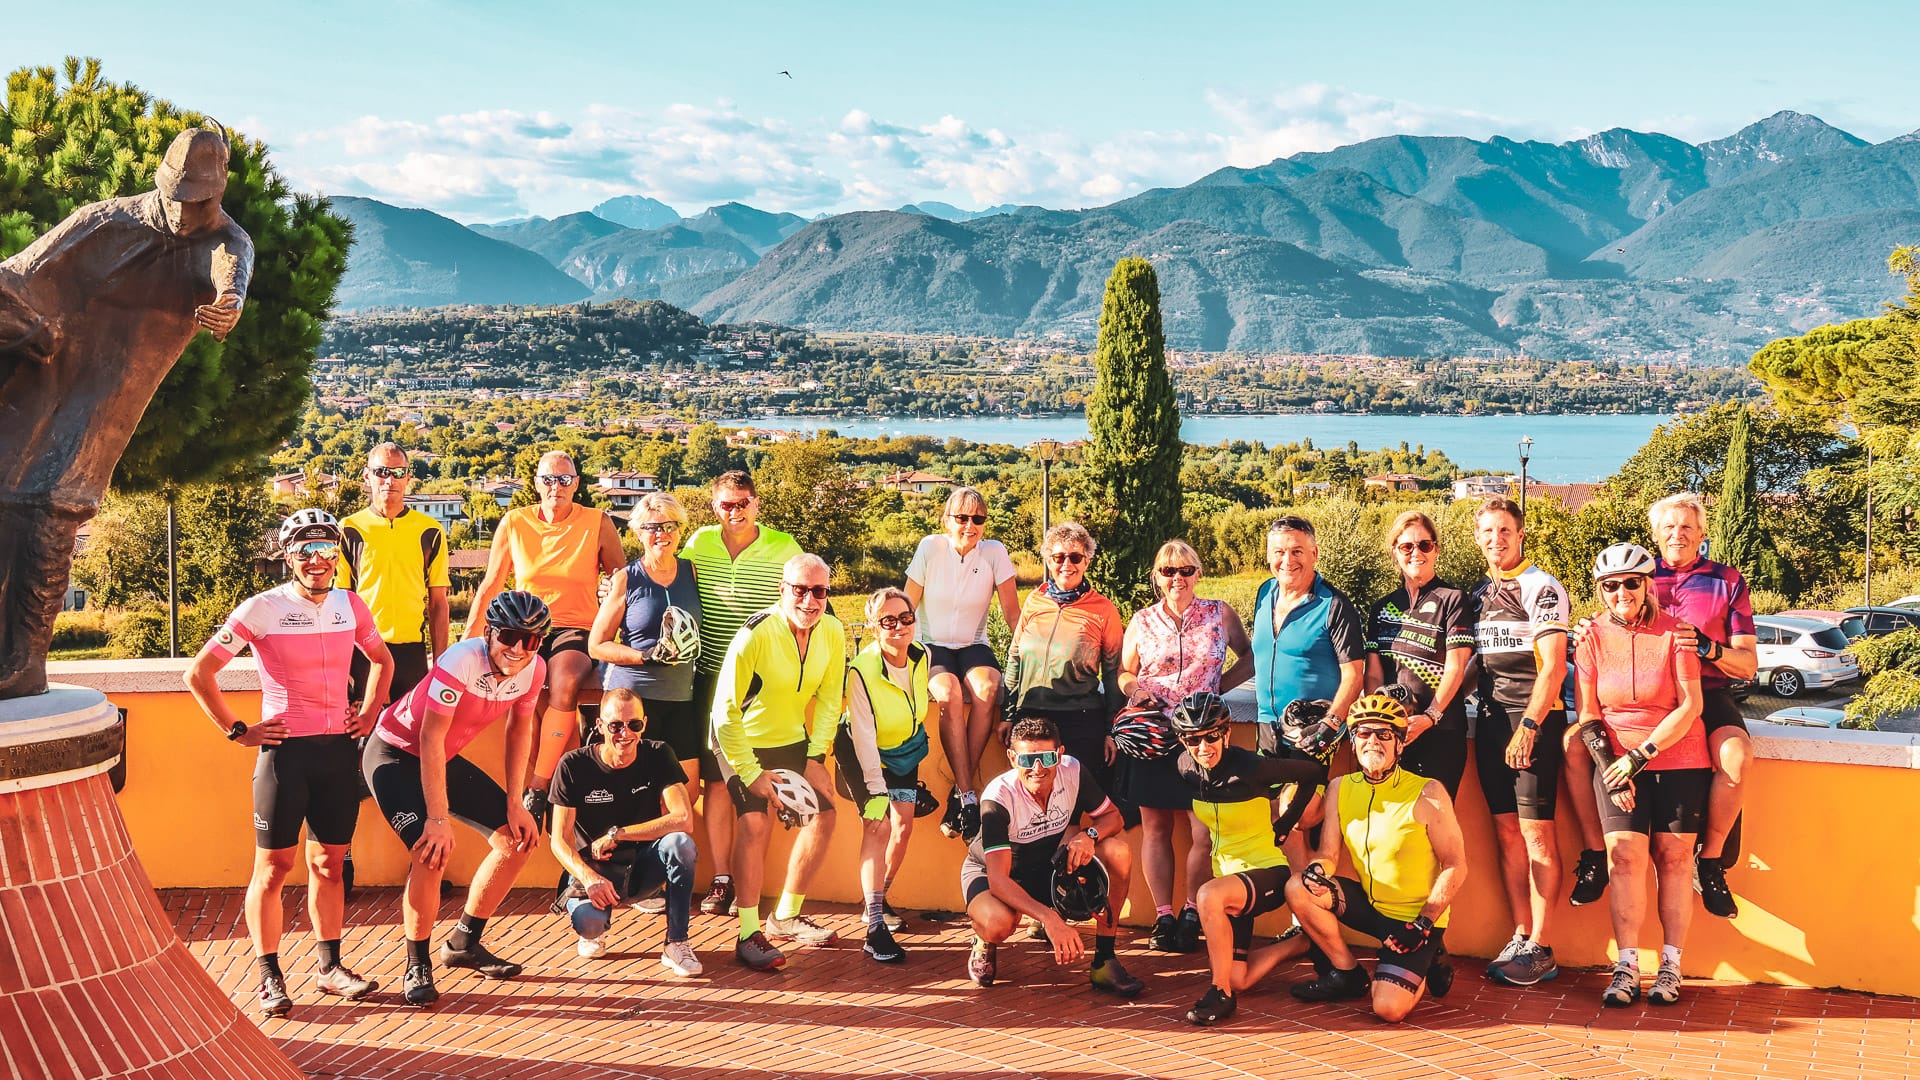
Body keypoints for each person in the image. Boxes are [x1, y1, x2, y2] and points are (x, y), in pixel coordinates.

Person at [1, 126, 251, 698]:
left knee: (53, 509)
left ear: (219, 191)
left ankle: (24, 662)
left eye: (200, 199)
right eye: (178, 196)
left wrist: (229, 303)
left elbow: (229, 274)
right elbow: (21, 273)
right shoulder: (108, 219)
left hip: (105, 399)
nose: (186, 212)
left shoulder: (225, 241)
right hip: (42, 376)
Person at [184, 509, 393, 1017]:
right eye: (304, 549)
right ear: (288, 555)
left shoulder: (351, 604)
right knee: (274, 868)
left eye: (325, 549)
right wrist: (239, 731)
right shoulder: (262, 608)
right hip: (285, 755)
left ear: (338, 555)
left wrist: (367, 714)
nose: (316, 559)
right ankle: (269, 976)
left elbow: (383, 661)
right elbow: (200, 672)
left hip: (338, 754)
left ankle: (329, 968)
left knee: (329, 864)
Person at [363, 590, 549, 1007]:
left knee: (516, 840)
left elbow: (520, 731)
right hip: (395, 754)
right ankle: (417, 963)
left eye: (530, 640)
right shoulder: (461, 660)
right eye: (508, 636)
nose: (517, 649)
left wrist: (515, 803)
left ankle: (464, 942)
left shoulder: (533, 670)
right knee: (431, 852)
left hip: (441, 754)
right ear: (490, 632)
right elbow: (429, 738)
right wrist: (438, 818)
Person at [1574, 543, 1708, 1007]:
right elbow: (1588, 710)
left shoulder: (1678, 633)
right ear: (1601, 590)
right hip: (1615, 758)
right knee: (1625, 860)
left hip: (1677, 756)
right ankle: (1627, 965)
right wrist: (1613, 766)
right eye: (1611, 585)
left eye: (1632, 582)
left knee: (1673, 859)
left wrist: (1640, 756)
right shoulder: (1590, 634)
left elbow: (1692, 705)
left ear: (1648, 584)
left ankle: (1671, 965)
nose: (1621, 592)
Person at [1285, 692, 1468, 1023]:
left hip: (1415, 921)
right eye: (1365, 733)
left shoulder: (1428, 792)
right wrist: (1316, 871)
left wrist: (1424, 922)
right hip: (1370, 908)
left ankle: (1430, 956)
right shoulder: (1341, 787)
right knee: (1298, 887)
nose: (1373, 742)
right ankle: (1346, 972)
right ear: (1353, 741)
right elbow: (1327, 854)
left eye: (1385, 734)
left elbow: (1456, 865)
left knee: (1388, 1009)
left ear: (1400, 744)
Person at [1117, 540, 1253, 955]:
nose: (1177, 578)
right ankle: (1164, 916)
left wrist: (1217, 689)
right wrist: (1136, 691)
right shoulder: (1141, 620)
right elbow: (1125, 671)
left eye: (1186, 570)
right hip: (1154, 734)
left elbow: (1249, 657)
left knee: (1202, 830)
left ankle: (1193, 911)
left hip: (1202, 737)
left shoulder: (1219, 613)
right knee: (1156, 829)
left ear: (1198, 572)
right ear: (1157, 577)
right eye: (1168, 571)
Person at [710, 553, 844, 970]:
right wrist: (750, 773)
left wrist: (816, 756)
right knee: (754, 823)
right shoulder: (754, 636)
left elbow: (828, 700)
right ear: (782, 590)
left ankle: (784, 916)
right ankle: (748, 933)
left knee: (825, 813)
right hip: (739, 741)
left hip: (791, 741)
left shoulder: (833, 631)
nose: (809, 600)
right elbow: (724, 712)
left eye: (818, 591)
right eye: (800, 590)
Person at [466, 450, 624, 800]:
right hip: (527, 627)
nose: (557, 486)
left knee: (563, 681)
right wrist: (467, 639)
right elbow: (492, 582)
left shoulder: (598, 522)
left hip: (577, 627)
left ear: (576, 484)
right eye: (549, 479)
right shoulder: (514, 522)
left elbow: (620, 583)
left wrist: (620, 637)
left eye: (565, 479)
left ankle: (538, 787)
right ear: (537, 484)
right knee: (532, 693)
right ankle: (566, 781)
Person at [682, 470, 804, 917]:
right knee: (717, 782)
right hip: (711, 675)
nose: (735, 511)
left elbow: (805, 603)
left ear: (757, 504)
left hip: (762, 682)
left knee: (756, 784)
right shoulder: (699, 542)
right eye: (726, 504)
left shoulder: (783, 546)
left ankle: (751, 884)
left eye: (743, 503)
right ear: (715, 506)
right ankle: (721, 880)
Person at [1170, 693, 1323, 1026]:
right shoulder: (1185, 767)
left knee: (1207, 895)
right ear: (1183, 741)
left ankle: (1220, 993)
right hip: (1229, 883)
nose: (1203, 747)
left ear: (1226, 733)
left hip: (1266, 872)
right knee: (1240, 976)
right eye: (1193, 740)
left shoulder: (1252, 767)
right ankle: (1302, 943)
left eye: (1211, 736)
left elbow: (1312, 773)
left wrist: (1285, 823)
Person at [961, 716, 1141, 998]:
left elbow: (1113, 818)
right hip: (996, 873)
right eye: (1027, 759)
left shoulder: (1073, 771)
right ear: (1011, 758)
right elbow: (998, 880)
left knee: (1117, 851)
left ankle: (1105, 959)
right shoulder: (997, 798)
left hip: (1048, 865)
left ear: (1059, 755)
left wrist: (1088, 836)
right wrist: (1050, 919)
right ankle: (984, 938)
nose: (1037, 768)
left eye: (1046, 757)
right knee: (998, 923)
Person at [1469, 496, 1570, 987]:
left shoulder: (1542, 587)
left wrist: (1529, 727)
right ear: (1477, 538)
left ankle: (1544, 947)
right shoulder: (1479, 593)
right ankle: (1521, 934)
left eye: (1504, 531)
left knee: (1537, 836)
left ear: (1520, 534)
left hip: (1532, 720)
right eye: (1487, 532)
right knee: (1506, 834)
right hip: (1489, 722)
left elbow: (1554, 667)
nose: (1496, 540)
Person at [1648, 493, 1757, 919]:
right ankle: (1600, 856)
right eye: (1669, 527)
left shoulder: (1727, 580)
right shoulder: (1637, 576)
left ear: (1702, 535)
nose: (1678, 534)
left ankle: (1710, 863)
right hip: (1650, 699)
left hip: (1709, 693)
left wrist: (1709, 647)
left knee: (1736, 754)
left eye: (1687, 527)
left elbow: (1747, 665)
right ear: (1656, 535)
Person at [546, 689, 701, 976]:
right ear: (600, 725)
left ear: (644, 723)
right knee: (589, 924)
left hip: (643, 866)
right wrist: (589, 878)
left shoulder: (658, 753)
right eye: (616, 725)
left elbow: (683, 818)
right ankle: (592, 928)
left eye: (634, 725)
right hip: (595, 871)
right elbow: (559, 841)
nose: (625, 733)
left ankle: (677, 942)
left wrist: (618, 834)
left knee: (681, 844)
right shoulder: (572, 765)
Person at [904, 486, 1020, 843]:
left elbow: (1013, 613)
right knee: (949, 693)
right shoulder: (929, 547)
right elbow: (906, 606)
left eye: (978, 518)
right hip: (931, 644)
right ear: (946, 520)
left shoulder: (994, 552)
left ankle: (960, 793)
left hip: (973, 643)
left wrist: (1032, 656)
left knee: (986, 689)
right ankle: (969, 795)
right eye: (961, 517)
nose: (970, 525)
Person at [834, 587, 933, 964]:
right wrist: (876, 790)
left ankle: (877, 898)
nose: (898, 627)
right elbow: (862, 736)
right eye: (887, 621)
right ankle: (874, 927)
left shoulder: (922, 655)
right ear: (874, 628)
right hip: (864, 753)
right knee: (877, 826)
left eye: (905, 619)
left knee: (903, 827)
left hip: (904, 750)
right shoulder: (862, 670)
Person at [1002, 522, 1127, 817]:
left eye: (1075, 557)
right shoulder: (1034, 601)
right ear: (1048, 560)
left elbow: (1112, 674)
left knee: (1069, 808)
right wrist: (1006, 715)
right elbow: (1015, 658)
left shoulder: (1103, 609)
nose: (1066, 564)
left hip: (1079, 720)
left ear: (1087, 561)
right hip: (1030, 718)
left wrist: (1112, 730)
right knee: (1029, 804)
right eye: (1058, 557)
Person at [589, 493, 704, 784]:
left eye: (670, 526)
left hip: (681, 698)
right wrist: (646, 656)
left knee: (686, 790)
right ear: (639, 532)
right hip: (634, 702)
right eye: (653, 528)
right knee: (633, 789)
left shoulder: (691, 571)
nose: (662, 534)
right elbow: (597, 644)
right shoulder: (626, 579)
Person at [1365, 511, 1474, 797]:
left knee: (1434, 826)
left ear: (1436, 549)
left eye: (1424, 545)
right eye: (1407, 547)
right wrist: (1377, 722)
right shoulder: (1382, 608)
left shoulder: (1453, 599)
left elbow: (1456, 668)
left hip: (1441, 731)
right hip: (1391, 735)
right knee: (1391, 824)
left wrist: (1430, 717)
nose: (1416, 553)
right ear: (1394, 552)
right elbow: (1374, 673)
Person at [341, 442, 451, 707]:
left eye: (398, 472)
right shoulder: (349, 528)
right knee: (362, 739)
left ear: (408, 478)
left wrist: (442, 665)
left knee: (407, 742)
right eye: (381, 472)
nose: (390, 480)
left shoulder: (430, 531)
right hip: (363, 651)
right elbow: (340, 604)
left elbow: (438, 603)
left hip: (410, 652)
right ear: (367, 476)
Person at [1251, 516, 1367, 762]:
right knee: (1266, 800)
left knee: (1294, 802)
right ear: (1269, 556)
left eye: (1297, 551)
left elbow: (1355, 676)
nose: (1287, 560)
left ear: (1314, 554)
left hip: (1313, 730)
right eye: (1279, 552)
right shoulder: (1264, 593)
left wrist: (1331, 723)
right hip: (1267, 729)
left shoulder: (1335, 605)